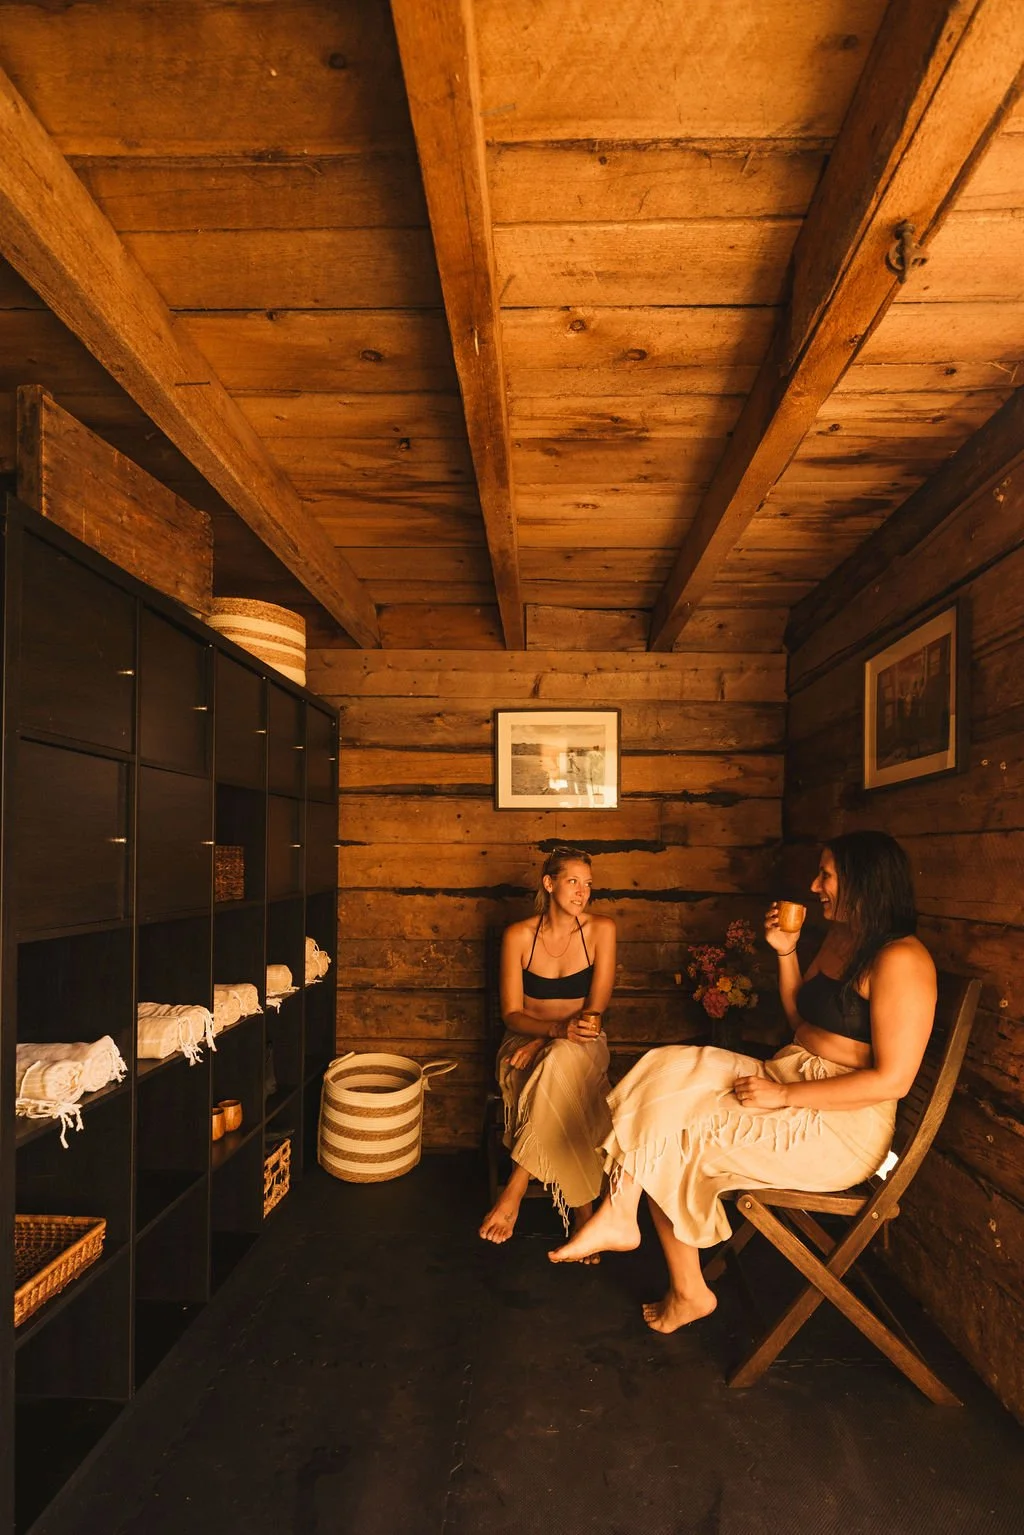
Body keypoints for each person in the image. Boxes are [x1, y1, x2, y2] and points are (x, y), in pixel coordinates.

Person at [549, 830, 937, 1331]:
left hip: (839, 1124)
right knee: (668, 1067)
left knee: (681, 1132)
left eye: (827, 875)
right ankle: (621, 1211)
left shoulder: (902, 960)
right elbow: (801, 1023)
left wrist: (783, 1095)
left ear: (863, 882)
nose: (815, 886)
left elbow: (892, 1081)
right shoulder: (845, 940)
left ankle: (688, 1291)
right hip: (790, 1073)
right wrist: (786, 950)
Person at [479, 847, 617, 1256]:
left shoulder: (601, 931)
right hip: (523, 1045)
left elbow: (595, 1011)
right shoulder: (519, 935)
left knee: (560, 1060)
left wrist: (555, 1037)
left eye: (588, 884)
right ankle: (585, 1211)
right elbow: (511, 1014)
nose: (582, 892)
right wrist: (550, 1033)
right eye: (573, 881)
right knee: (567, 1079)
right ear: (549, 883)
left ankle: (514, 1188)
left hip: (584, 1042)